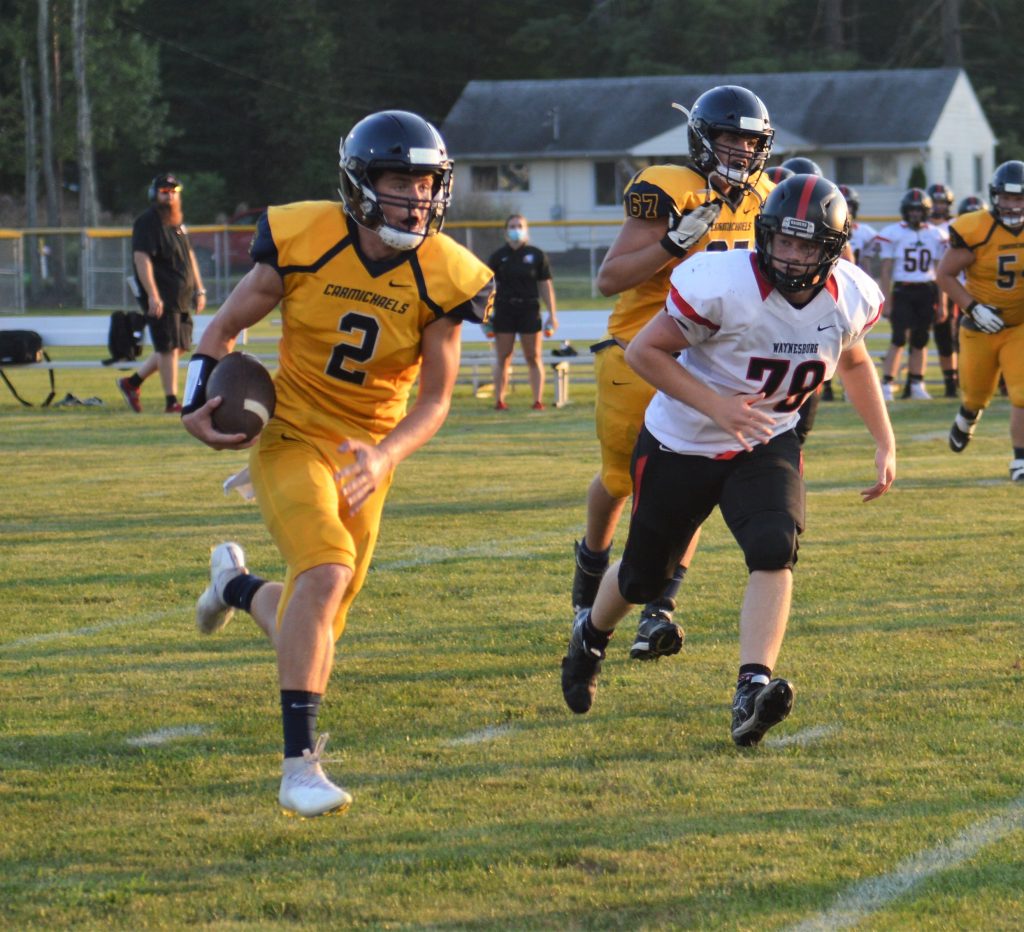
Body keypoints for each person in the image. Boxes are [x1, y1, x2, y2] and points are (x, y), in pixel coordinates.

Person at [180, 110, 494, 817]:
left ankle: (233, 586)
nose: (416, 199)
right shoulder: (306, 237)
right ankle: (299, 768)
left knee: (314, 621)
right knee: (324, 571)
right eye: (400, 182)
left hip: (366, 455)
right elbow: (225, 328)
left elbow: (436, 400)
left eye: (426, 184)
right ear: (360, 184)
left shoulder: (448, 272)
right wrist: (196, 398)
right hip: (291, 434)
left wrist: (385, 454)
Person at [560, 175, 896, 745]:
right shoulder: (724, 283)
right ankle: (590, 636)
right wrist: (717, 407)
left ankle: (751, 686)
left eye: (807, 245)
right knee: (643, 577)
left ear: (833, 250)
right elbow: (645, 351)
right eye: (784, 241)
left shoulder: (850, 296)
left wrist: (885, 440)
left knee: (773, 548)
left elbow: (856, 362)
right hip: (682, 441)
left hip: (766, 438)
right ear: (765, 235)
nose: (792, 256)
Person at [577, 84, 775, 664]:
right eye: (729, 138)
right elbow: (610, 280)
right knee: (621, 483)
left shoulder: (764, 196)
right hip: (638, 352)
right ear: (703, 139)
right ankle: (591, 566)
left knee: (689, 481)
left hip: (708, 362)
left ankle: (659, 608)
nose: (740, 150)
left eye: (750, 141)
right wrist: (670, 243)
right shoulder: (668, 187)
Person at [936, 160, 1024, 481]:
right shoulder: (977, 228)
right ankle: (967, 415)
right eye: (1007, 198)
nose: (1012, 205)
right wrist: (973, 308)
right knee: (976, 395)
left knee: (1022, 395)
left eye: (1019, 198)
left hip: (1020, 326)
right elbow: (944, 275)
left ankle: (1020, 461)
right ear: (994, 197)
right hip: (979, 327)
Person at [117, 173, 207, 414]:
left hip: (182, 297)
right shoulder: (147, 222)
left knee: (181, 346)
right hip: (162, 297)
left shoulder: (177, 222)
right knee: (167, 347)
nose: (170, 196)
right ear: (154, 194)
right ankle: (171, 401)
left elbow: (190, 257)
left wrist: (199, 289)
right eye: (164, 192)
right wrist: (152, 294)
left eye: (174, 191)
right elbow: (142, 258)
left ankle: (132, 382)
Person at [875, 188, 949, 401]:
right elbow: (886, 269)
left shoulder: (936, 234)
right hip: (903, 290)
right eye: (912, 210)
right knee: (899, 338)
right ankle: (887, 383)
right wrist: (886, 300)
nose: (915, 214)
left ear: (926, 211)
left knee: (921, 339)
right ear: (905, 211)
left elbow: (940, 272)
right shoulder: (893, 233)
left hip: (927, 290)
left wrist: (943, 303)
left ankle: (917, 382)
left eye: (919, 210)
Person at [487, 214, 558, 410]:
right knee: (503, 356)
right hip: (504, 309)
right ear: (506, 231)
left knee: (533, 356)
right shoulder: (498, 256)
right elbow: (488, 287)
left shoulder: (536, 255)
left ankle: (537, 400)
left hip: (529, 309)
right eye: (512, 226)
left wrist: (552, 314)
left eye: (519, 226)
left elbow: (545, 286)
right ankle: (499, 400)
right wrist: (486, 314)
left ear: (526, 230)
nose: (516, 229)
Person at [927, 183, 960, 396]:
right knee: (921, 337)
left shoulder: (956, 225)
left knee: (951, 337)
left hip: (951, 284)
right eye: (935, 202)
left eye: (942, 202)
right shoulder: (922, 227)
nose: (938, 206)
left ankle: (953, 381)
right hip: (926, 286)